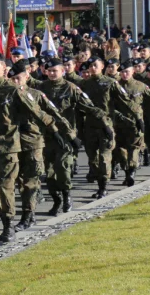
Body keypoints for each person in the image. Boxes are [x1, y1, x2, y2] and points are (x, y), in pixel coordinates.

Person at [0, 54, 57, 243]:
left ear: (4, 68)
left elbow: (35, 111)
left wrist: (56, 131)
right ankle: (4, 215)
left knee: (6, 186)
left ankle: (8, 224)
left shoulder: (12, 90)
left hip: (9, 147)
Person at [8, 60, 74, 231]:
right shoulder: (7, 96)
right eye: (12, 78)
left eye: (18, 78)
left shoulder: (36, 95)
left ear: (27, 76)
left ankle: (28, 216)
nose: (16, 81)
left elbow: (53, 113)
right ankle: (28, 213)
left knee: (31, 181)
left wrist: (66, 133)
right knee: (18, 181)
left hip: (33, 143)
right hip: (13, 144)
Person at [38, 58, 106, 214]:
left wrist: (105, 123)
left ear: (62, 71)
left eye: (55, 70)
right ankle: (56, 200)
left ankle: (67, 196)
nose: (52, 74)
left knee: (63, 169)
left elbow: (89, 107)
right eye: (49, 71)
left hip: (66, 135)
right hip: (47, 136)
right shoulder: (41, 88)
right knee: (48, 173)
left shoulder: (71, 88)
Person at [78, 56, 128, 198]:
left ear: (102, 66)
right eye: (90, 66)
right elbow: (80, 104)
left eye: (95, 65)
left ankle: (103, 186)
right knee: (92, 158)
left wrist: (134, 118)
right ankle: (99, 180)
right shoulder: (84, 85)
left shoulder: (111, 83)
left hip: (106, 126)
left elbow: (125, 102)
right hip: (90, 126)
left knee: (104, 157)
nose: (92, 68)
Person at [113, 61, 147, 187]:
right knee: (120, 151)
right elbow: (109, 104)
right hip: (120, 124)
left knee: (134, 148)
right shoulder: (115, 86)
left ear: (133, 71)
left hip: (136, 123)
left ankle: (131, 172)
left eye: (127, 71)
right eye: (122, 72)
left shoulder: (140, 86)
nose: (124, 74)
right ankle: (127, 171)